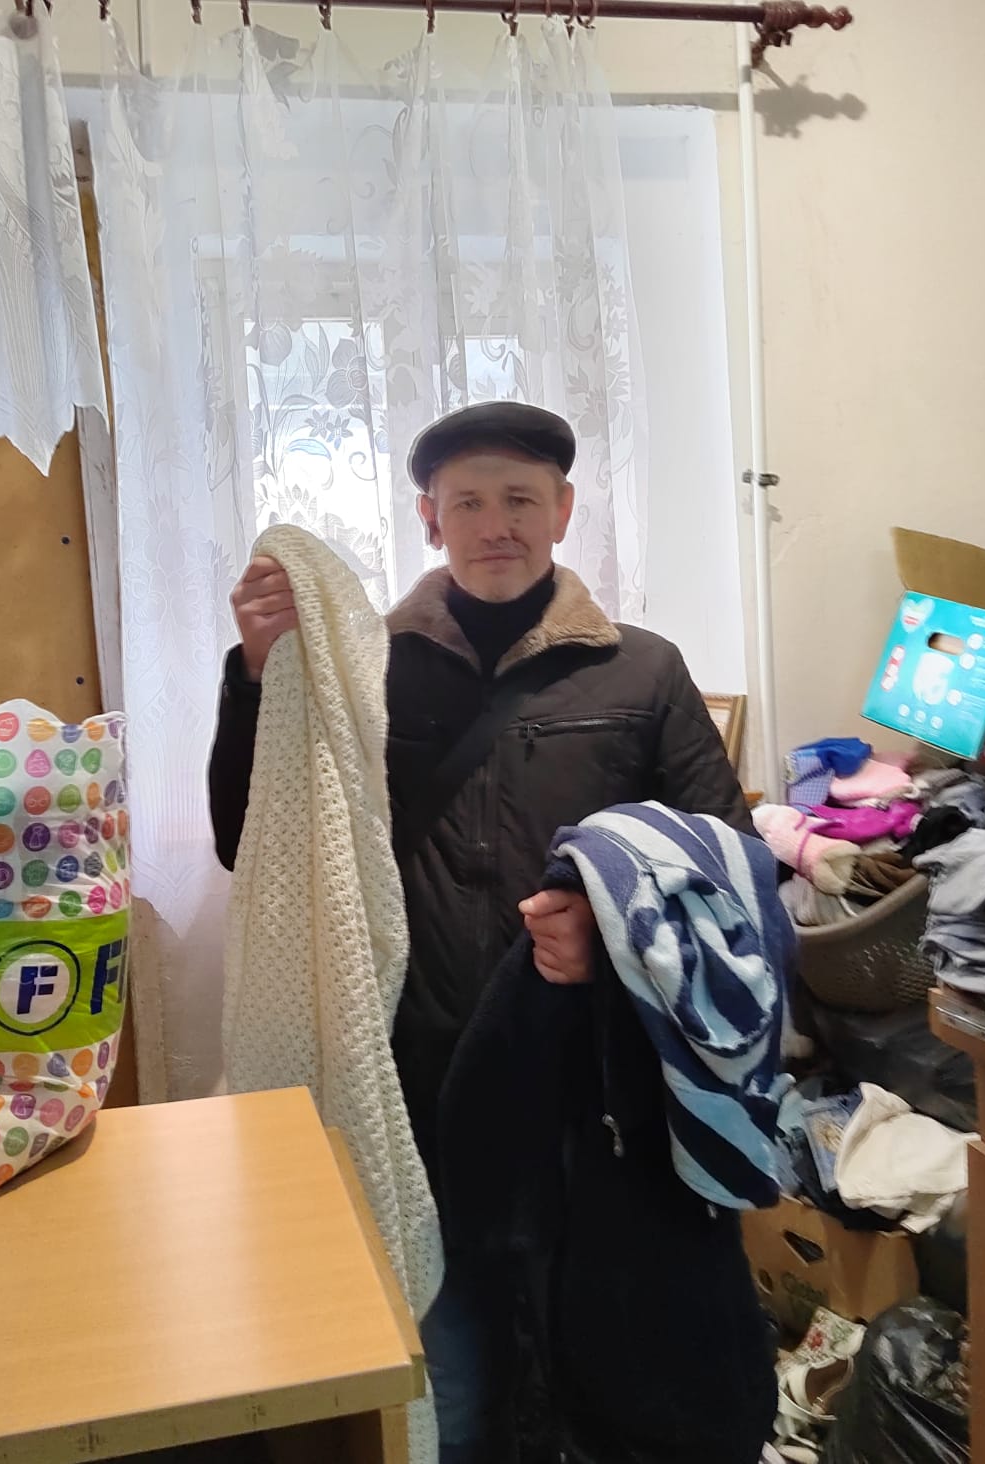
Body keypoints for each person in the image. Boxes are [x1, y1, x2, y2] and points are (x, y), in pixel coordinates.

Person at [208, 402, 759, 1462]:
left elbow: (726, 861)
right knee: (448, 1376)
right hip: (421, 1079)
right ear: (430, 519)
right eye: (468, 503)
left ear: (562, 510)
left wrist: (610, 929)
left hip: (594, 1089)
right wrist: (259, 676)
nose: (495, 525)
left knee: (608, 1365)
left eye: (519, 499)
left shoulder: (643, 671)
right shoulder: (363, 671)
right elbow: (252, 842)